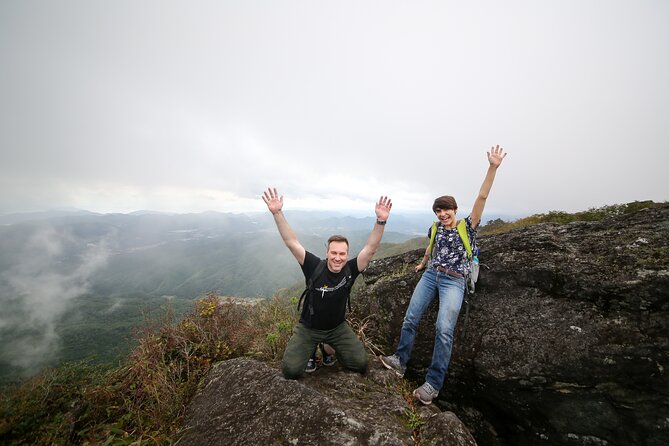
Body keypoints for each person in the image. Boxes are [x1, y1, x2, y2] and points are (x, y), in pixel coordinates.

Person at [380, 145, 507, 405]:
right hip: (431, 275)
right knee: (411, 318)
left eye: (446, 209)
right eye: (438, 210)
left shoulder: (468, 225)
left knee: (443, 329)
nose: (442, 213)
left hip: (454, 280)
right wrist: (422, 263)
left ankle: (433, 384)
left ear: (455, 209)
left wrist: (492, 168)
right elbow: (432, 245)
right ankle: (400, 361)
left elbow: (481, 198)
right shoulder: (436, 227)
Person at [262, 187, 392, 379]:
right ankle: (312, 348)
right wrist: (277, 213)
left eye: (342, 254)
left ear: (347, 255)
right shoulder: (314, 266)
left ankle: (327, 347)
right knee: (291, 370)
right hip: (308, 328)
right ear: (327, 253)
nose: (338, 258)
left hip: (336, 328)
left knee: (360, 363)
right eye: (334, 253)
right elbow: (291, 242)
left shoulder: (351, 269)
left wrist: (381, 221)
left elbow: (371, 248)